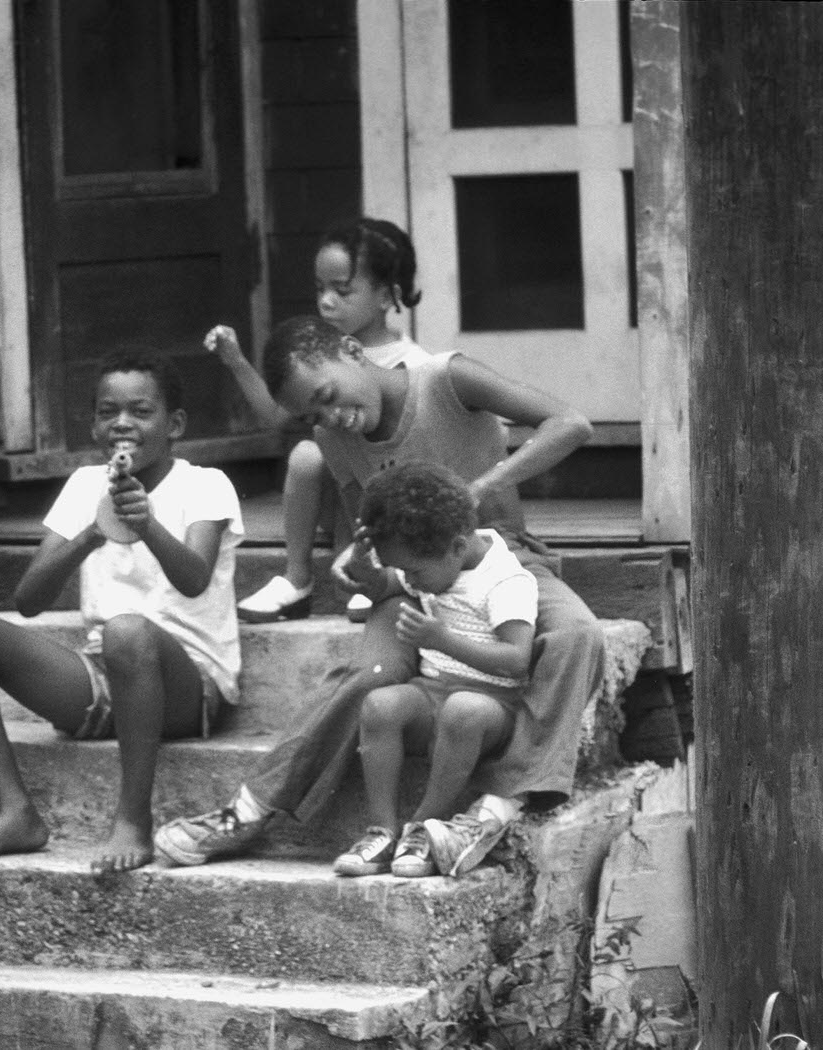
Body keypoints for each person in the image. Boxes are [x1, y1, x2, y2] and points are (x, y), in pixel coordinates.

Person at [153, 316, 604, 869]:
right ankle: (249, 810)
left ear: (350, 350)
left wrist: (479, 488)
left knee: (578, 634)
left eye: (327, 395)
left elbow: (572, 424)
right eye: (312, 416)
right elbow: (370, 536)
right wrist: (360, 570)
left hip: (501, 555)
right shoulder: (333, 439)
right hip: (410, 582)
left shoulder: (446, 379)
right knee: (369, 678)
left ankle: (500, 803)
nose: (331, 418)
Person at [0, 352, 242, 875]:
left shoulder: (205, 485)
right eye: (108, 412)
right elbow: (29, 600)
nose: (122, 424)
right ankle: (17, 812)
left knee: (127, 631)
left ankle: (133, 820)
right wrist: (92, 534)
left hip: (192, 685)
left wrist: (147, 526)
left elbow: (193, 581)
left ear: (175, 425)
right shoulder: (83, 486)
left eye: (141, 411)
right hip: (106, 680)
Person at [206, 218, 431, 624]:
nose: (326, 302)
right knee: (306, 455)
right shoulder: (318, 360)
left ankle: (375, 570)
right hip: (343, 499)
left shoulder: (414, 365)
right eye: (320, 289)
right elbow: (277, 417)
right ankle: (297, 579)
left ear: (386, 296)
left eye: (343, 291)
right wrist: (236, 360)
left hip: (396, 503)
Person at [332, 462, 536, 879]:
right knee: (380, 705)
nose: (409, 580)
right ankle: (383, 830)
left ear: (458, 547)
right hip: (435, 690)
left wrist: (443, 640)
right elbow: (382, 588)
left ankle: (423, 825)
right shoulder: (429, 564)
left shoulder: (505, 581)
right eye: (402, 570)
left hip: (491, 703)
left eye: (414, 572)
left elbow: (517, 659)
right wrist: (365, 569)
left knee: (462, 710)